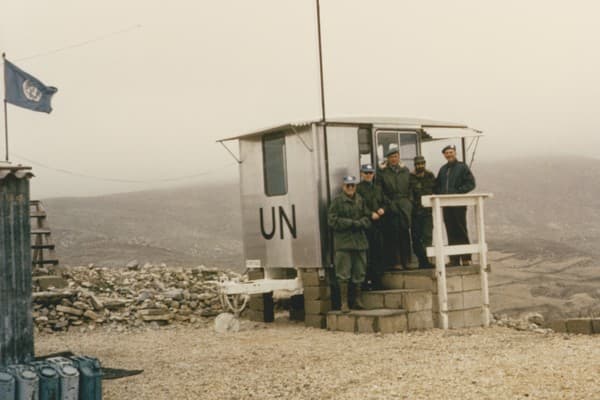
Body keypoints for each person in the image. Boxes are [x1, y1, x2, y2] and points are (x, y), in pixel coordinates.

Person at [327, 175, 371, 312]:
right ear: (343, 187)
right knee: (343, 274)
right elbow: (332, 220)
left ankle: (357, 300)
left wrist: (361, 223)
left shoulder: (360, 200)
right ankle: (344, 303)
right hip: (343, 243)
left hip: (359, 242)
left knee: (360, 272)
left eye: (353, 185)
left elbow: (367, 217)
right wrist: (350, 223)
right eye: (348, 186)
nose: (351, 188)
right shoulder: (337, 201)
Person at [435, 144, 476, 266]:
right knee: (450, 230)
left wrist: (457, 192)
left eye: (451, 152)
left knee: (460, 229)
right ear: (444, 155)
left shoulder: (462, 167)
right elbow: (438, 185)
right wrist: (440, 193)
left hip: (458, 204)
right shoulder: (442, 169)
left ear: (455, 153)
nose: (449, 154)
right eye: (446, 153)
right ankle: (454, 259)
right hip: (446, 205)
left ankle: (466, 258)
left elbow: (471, 183)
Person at [377, 148, 413, 270]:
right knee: (393, 234)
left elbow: (411, 188)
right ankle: (396, 262)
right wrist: (388, 204)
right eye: (391, 157)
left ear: (399, 157)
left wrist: (409, 202)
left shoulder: (405, 171)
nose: (394, 159)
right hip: (391, 205)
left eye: (396, 156)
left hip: (404, 205)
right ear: (388, 158)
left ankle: (407, 261)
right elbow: (380, 191)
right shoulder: (382, 173)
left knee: (405, 233)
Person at [356, 163, 385, 289]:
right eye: (366, 173)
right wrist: (370, 214)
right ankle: (366, 282)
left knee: (378, 253)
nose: (368, 175)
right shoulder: (358, 188)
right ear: (362, 174)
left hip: (379, 225)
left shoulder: (378, 188)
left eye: (370, 173)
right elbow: (359, 205)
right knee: (366, 254)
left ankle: (377, 281)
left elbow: (385, 201)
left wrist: (383, 209)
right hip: (366, 225)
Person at [410, 155, 435, 269]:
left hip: (428, 213)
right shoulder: (410, 177)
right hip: (415, 213)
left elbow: (436, 190)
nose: (420, 166)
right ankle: (421, 260)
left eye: (422, 163)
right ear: (415, 165)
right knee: (416, 238)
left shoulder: (430, 176)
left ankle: (427, 260)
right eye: (418, 164)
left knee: (427, 237)